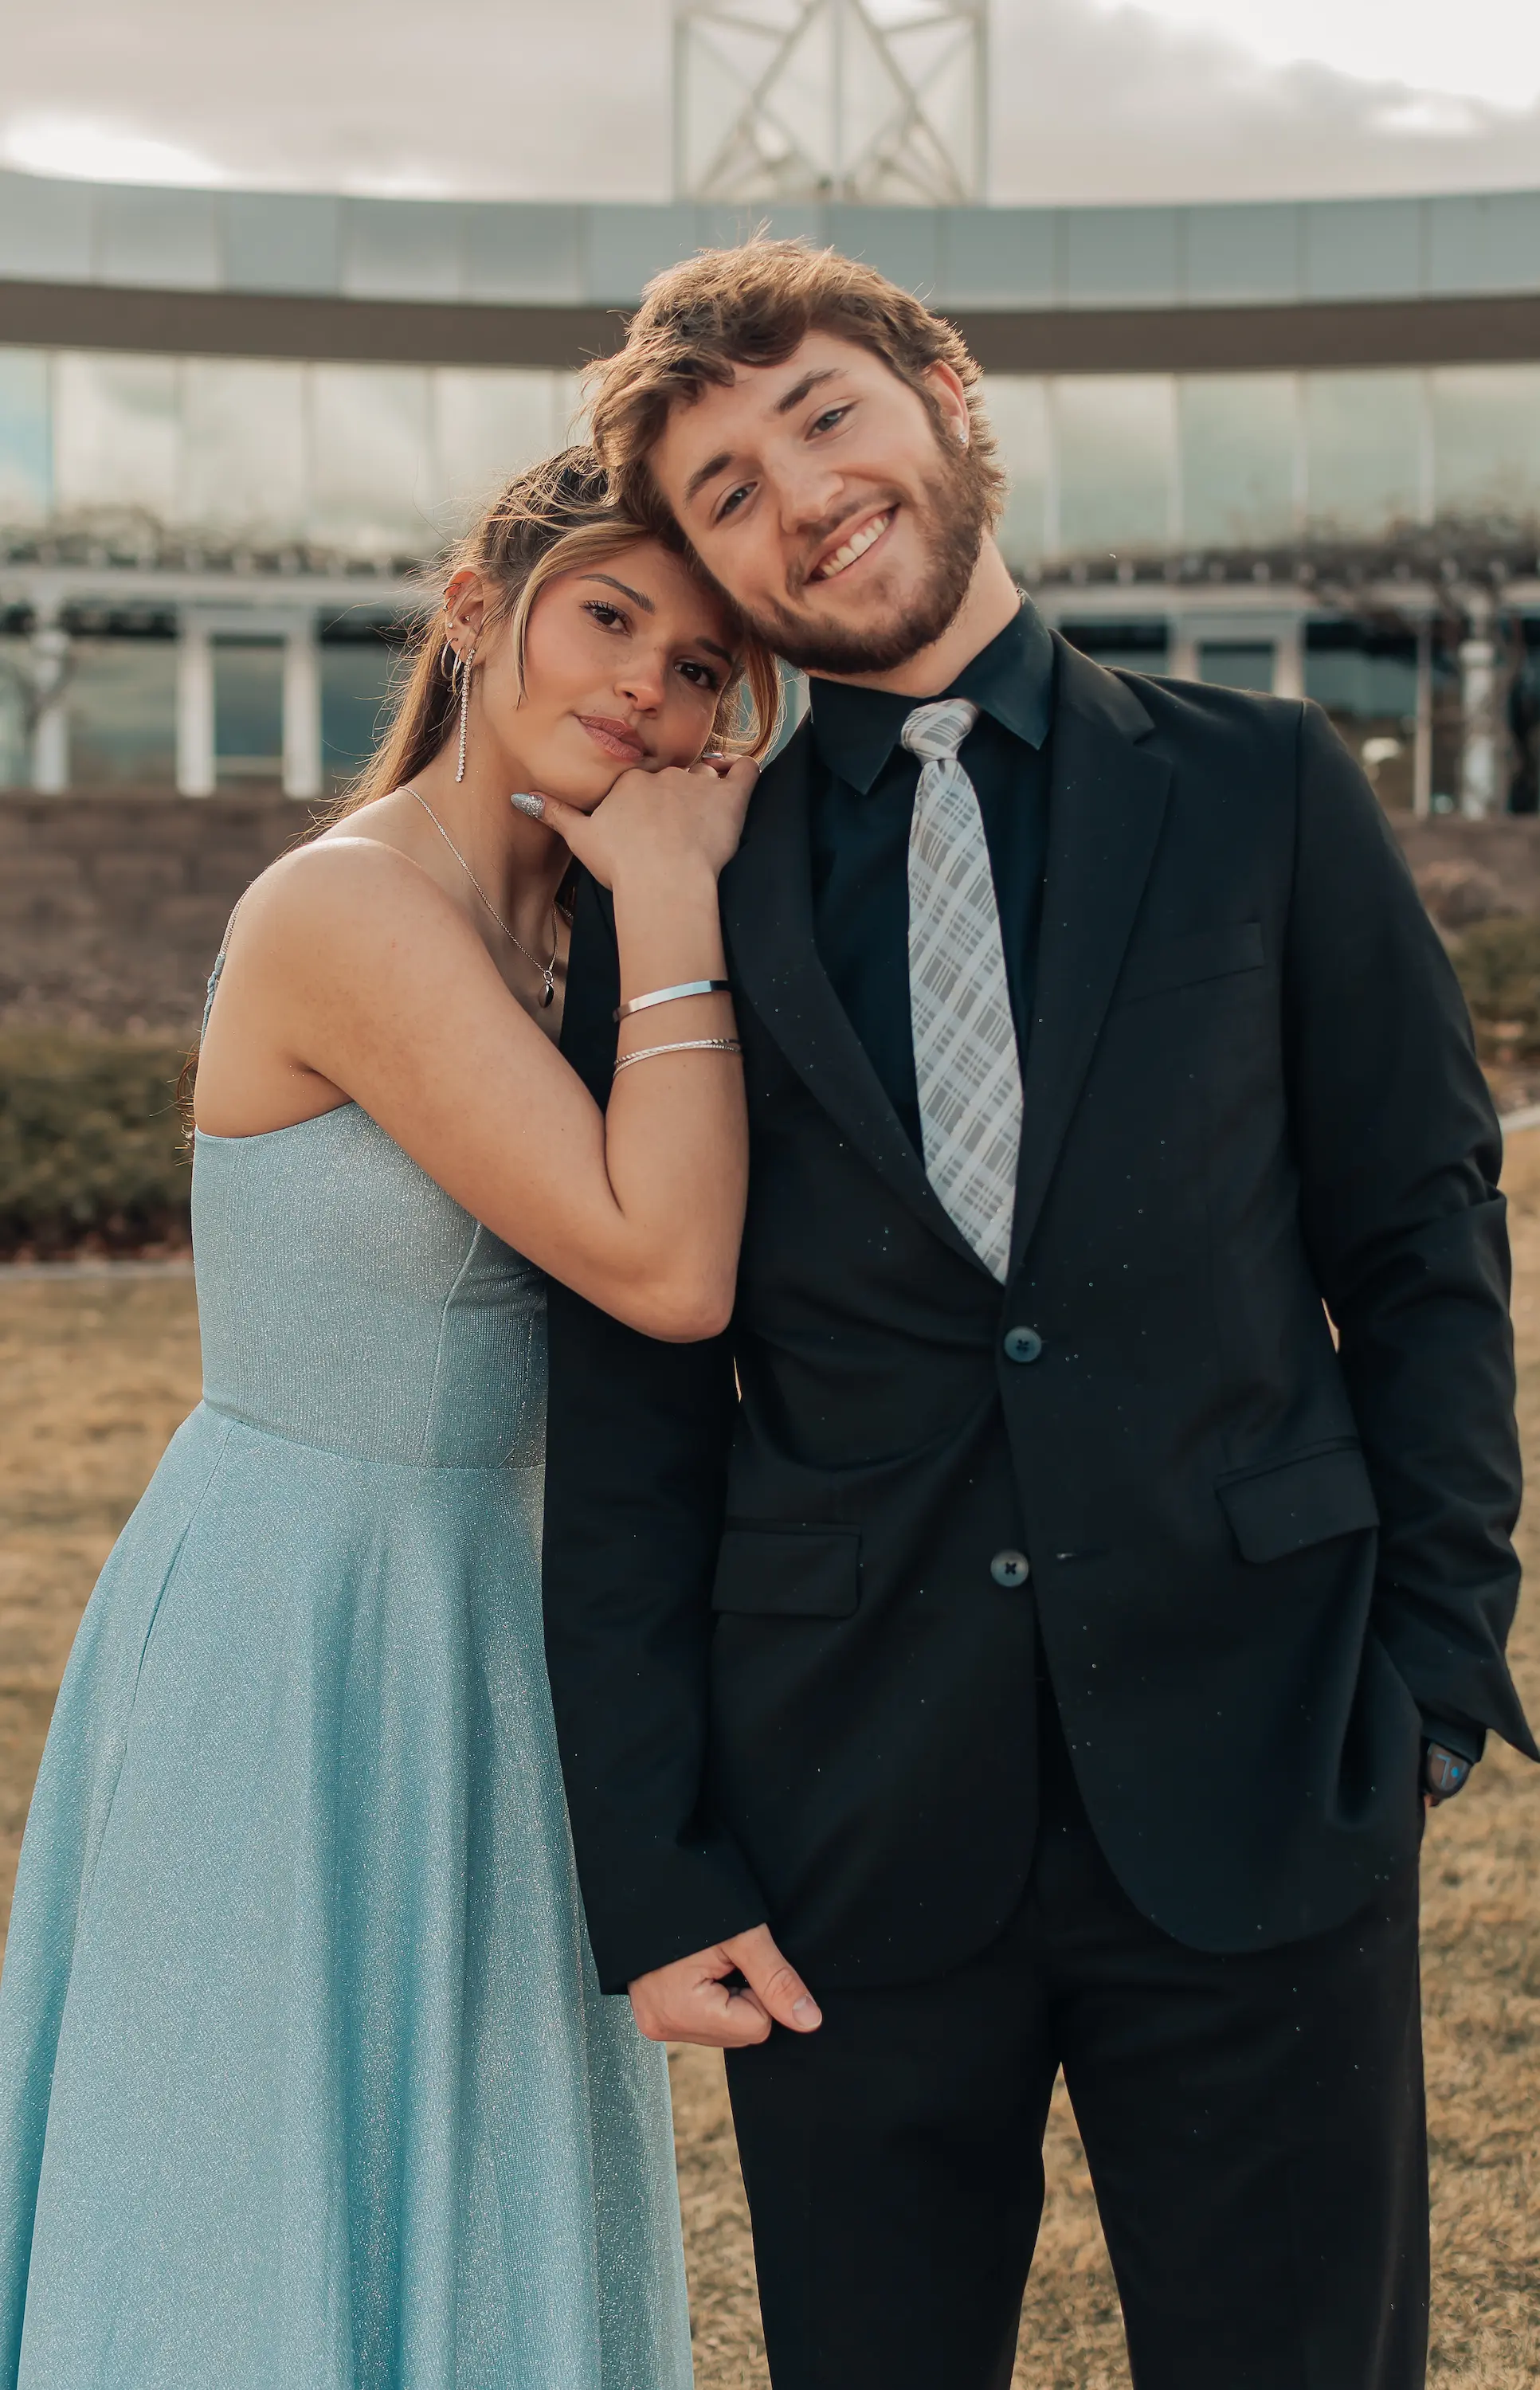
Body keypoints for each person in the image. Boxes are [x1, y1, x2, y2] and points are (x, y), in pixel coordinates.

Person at [540, 245, 1538, 2390]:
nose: (795, 498)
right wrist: (653, 1857)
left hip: (1269, 1768)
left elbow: (1421, 1244)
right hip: (849, 1828)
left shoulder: (1266, 787)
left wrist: (1435, 1669)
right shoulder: (680, 892)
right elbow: (637, 1404)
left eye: (820, 416)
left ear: (941, 391)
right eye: (722, 488)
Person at [0, 449, 778, 2390]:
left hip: (515, 1641)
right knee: (259, 2181)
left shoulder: (583, 939)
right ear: (471, 608)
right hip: (298, 1633)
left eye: (700, 670)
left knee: (479, 2167)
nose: (646, 691)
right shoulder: (345, 907)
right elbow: (664, 1266)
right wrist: (682, 907)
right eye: (609, 616)